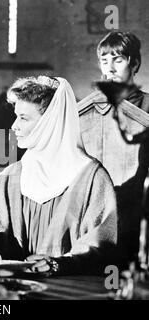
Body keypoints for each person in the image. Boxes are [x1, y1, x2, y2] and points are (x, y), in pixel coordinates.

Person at [0, 76, 118, 276]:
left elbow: (102, 247)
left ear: (50, 123)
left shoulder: (92, 178)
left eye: (24, 118)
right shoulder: (17, 173)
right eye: (16, 116)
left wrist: (59, 264)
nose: (14, 126)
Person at [81, 31, 149, 267]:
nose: (109, 69)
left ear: (135, 63)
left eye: (117, 60)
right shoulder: (86, 109)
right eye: (104, 60)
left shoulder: (148, 106)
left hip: (137, 212)